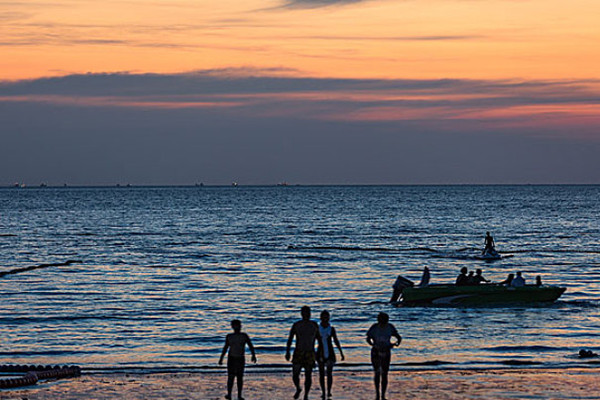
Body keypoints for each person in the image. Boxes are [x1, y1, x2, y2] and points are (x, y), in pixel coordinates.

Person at [286, 306, 323, 400]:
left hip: (310, 352)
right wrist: (287, 351)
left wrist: (320, 352)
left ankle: (306, 395)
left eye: (308, 312)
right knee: (295, 374)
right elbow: (290, 339)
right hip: (298, 351)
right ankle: (298, 388)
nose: (307, 314)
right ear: (301, 314)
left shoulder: (314, 325)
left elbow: (319, 339)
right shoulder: (297, 325)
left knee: (308, 374)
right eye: (305, 312)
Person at [366, 312, 401, 400]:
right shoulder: (374, 327)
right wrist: (373, 345)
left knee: (384, 373)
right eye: (381, 320)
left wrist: (395, 344)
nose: (383, 322)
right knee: (377, 372)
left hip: (386, 351)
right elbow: (368, 338)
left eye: (384, 320)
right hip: (376, 352)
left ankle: (383, 395)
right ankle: (378, 393)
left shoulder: (390, 327)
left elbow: (399, 337)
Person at [219, 319, 257, 400]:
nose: (237, 327)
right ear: (232, 327)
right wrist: (221, 358)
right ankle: (229, 394)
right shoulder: (229, 336)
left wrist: (253, 355)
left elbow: (250, 345)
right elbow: (226, 347)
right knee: (230, 377)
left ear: (240, 326)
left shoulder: (244, 336)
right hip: (231, 358)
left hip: (240, 358)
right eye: (235, 325)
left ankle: (239, 395)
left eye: (238, 325)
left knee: (240, 377)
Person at [317, 310, 345, 399]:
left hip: (330, 352)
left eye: (327, 317)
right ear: (321, 318)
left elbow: (336, 340)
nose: (325, 319)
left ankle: (329, 391)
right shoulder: (317, 328)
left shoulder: (331, 329)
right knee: (321, 373)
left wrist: (341, 352)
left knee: (329, 373)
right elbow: (313, 340)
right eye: (324, 317)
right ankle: (323, 391)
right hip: (320, 352)